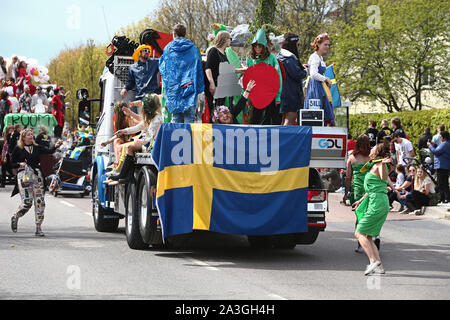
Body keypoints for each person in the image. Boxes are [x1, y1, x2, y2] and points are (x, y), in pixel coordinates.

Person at [10, 129, 63, 236]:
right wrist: (20, 164)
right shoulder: (18, 148)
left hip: (37, 177)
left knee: (40, 202)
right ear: (23, 137)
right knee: (27, 202)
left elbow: (49, 151)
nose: (31, 136)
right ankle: (16, 216)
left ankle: (38, 228)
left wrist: (56, 146)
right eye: (29, 135)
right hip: (24, 177)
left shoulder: (37, 147)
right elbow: (12, 163)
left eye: (31, 134)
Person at [352, 140, 392, 275]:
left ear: (376, 153)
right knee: (368, 236)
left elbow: (384, 178)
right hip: (375, 200)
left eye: (372, 149)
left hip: (377, 202)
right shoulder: (374, 164)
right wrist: (361, 200)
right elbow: (371, 188)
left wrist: (383, 164)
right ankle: (379, 267)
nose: (370, 150)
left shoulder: (380, 164)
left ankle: (372, 261)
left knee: (359, 232)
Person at [108, 94, 163, 185]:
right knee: (130, 147)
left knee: (130, 147)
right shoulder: (152, 117)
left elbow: (151, 138)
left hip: (151, 144)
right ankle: (127, 175)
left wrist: (141, 141)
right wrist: (124, 131)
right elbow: (138, 127)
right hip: (148, 142)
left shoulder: (156, 119)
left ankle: (123, 174)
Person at [159, 24, 205, 124]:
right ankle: (189, 139)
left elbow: (163, 68)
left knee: (175, 118)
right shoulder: (193, 49)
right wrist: (199, 87)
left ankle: (174, 139)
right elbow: (198, 68)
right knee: (190, 117)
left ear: (174, 34)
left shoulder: (168, 49)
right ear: (184, 34)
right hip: (189, 86)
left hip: (174, 88)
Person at [247, 29, 283, 125]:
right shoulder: (251, 59)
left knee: (274, 119)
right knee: (255, 119)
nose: (257, 48)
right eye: (255, 45)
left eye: (259, 45)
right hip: (257, 95)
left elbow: (278, 76)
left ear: (264, 46)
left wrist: (278, 97)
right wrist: (249, 97)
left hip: (271, 93)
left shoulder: (271, 58)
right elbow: (249, 78)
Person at [277, 33, 308, 126]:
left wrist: (300, 67)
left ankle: (281, 140)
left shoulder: (280, 56)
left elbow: (289, 71)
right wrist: (306, 71)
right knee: (289, 120)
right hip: (291, 94)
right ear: (293, 44)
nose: (298, 47)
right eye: (297, 44)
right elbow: (297, 74)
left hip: (283, 92)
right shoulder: (288, 58)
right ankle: (286, 140)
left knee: (283, 121)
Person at [304, 33, 334, 126]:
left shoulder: (320, 58)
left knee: (322, 113)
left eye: (328, 45)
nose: (327, 47)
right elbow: (313, 74)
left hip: (320, 88)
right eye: (325, 44)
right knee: (316, 114)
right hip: (315, 88)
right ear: (318, 44)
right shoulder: (315, 57)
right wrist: (325, 79)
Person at [100, 102, 133, 175]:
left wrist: (129, 117)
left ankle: (117, 167)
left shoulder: (129, 118)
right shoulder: (117, 120)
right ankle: (117, 165)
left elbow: (133, 131)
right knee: (117, 141)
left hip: (133, 139)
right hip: (126, 139)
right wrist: (107, 142)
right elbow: (119, 135)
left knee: (117, 143)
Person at [205, 30, 232, 113]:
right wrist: (212, 83)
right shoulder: (213, 51)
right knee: (213, 110)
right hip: (215, 87)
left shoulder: (224, 53)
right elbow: (208, 68)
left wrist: (242, 70)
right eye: (230, 38)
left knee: (219, 110)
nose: (231, 40)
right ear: (224, 39)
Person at [428, 131, 450, 204]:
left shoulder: (445, 144)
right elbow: (438, 150)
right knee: (443, 182)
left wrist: (430, 146)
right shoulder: (446, 144)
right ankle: (445, 198)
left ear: (444, 137)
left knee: (441, 183)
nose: (440, 138)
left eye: (440, 137)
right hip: (444, 166)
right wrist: (434, 145)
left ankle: (444, 198)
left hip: (442, 166)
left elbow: (436, 152)